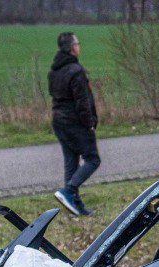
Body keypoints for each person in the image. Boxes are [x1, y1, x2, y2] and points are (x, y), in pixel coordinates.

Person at [48, 31, 100, 216]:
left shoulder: (54, 71)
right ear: (72, 48)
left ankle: (74, 205)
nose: (79, 46)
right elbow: (82, 101)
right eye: (77, 43)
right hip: (75, 122)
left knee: (71, 161)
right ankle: (68, 192)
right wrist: (89, 123)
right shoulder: (76, 71)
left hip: (58, 121)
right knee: (93, 159)